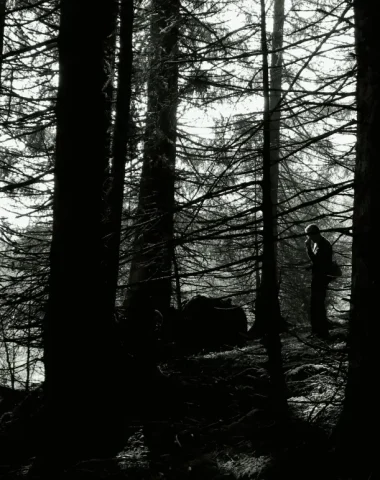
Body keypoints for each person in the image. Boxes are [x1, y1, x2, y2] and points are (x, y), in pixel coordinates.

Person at [304, 224, 333, 338]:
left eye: (309, 235)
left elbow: (319, 261)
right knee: (315, 304)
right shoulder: (318, 243)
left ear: (314, 233)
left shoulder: (324, 245)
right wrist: (311, 267)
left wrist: (308, 248)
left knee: (318, 304)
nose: (308, 238)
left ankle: (322, 332)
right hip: (318, 277)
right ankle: (316, 331)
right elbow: (319, 262)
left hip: (322, 278)